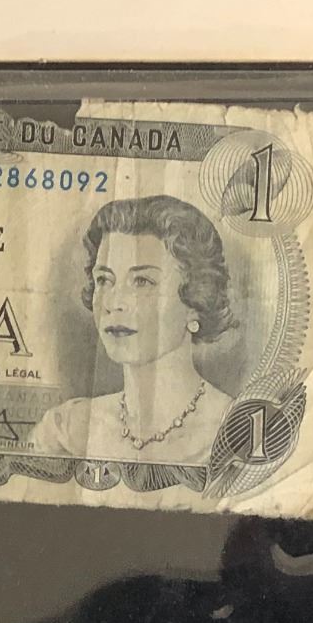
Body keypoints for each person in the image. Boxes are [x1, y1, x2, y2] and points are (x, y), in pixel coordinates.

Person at [30, 195, 237, 465]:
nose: (114, 303)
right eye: (104, 279)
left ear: (196, 301)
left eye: (142, 281)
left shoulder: (237, 432)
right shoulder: (65, 430)